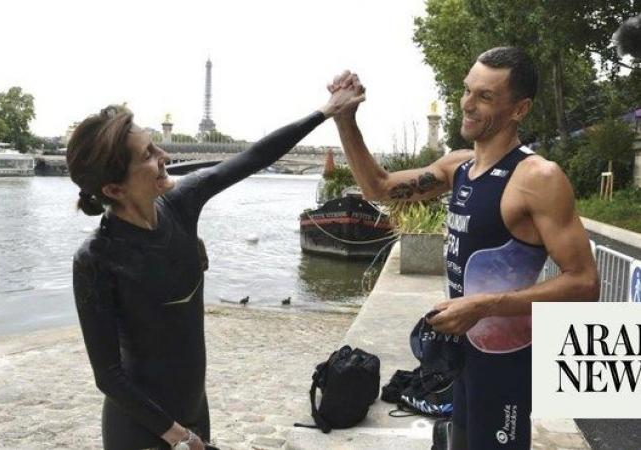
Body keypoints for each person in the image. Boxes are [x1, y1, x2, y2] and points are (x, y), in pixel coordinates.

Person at [327, 47, 599, 449]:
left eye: (485, 96)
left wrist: (483, 305)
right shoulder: (459, 168)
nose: (467, 105)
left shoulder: (538, 178)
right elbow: (378, 188)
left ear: (519, 109)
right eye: (467, 91)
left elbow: (585, 284)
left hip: (505, 358)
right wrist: (345, 120)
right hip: (461, 352)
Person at [67, 88, 364, 450]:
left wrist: (326, 111)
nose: (164, 156)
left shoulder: (181, 203)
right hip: (141, 429)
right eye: (148, 154)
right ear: (114, 188)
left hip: (194, 412)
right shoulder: (96, 259)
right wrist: (180, 438)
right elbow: (109, 377)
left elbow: (254, 156)